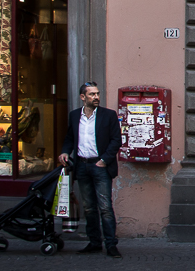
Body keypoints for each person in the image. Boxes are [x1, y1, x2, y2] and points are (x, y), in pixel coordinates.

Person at [59, 82, 122, 258]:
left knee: (105, 207)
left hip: (100, 166)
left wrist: (104, 160)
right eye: (92, 94)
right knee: (89, 208)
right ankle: (94, 242)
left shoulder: (108, 115)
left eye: (97, 94)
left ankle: (111, 245)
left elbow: (116, 140)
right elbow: (70, 138)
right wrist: (65, 152)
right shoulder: (74, 116)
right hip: (82, 166)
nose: (96, 97)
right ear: (82, 97)